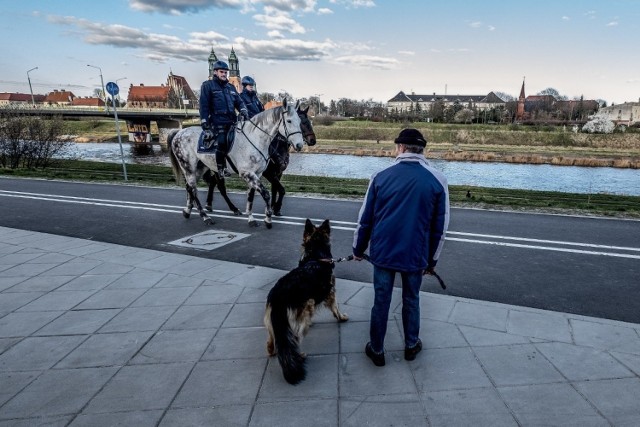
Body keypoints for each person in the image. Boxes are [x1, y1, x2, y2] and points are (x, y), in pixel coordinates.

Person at [352, 128, 450, 367]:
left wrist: (358, 248)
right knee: (411, 299)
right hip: (415, 254)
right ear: (422, 150)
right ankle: (411, 345)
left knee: (381, 300)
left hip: (383, 252)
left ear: (401, 148)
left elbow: (365, 218)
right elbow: (441, 226)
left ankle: (377, 350)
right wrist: (432, 260)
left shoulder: (380, 175)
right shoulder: (438, 179)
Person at [199, 60, 248, 178]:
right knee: (222, 142)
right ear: (215, 72)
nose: (224, 74)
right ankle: (221, 168)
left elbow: (239, 102)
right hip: (217, 121)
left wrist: (243, 110)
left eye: (225, 72)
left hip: (232, 121)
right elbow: (203, 105)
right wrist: (204, 121)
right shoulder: (208, 86)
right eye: (221, 72)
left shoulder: (230, 87)